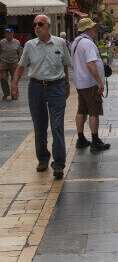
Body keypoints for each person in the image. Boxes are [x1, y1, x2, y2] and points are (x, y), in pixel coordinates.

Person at [11, 15, 71, 179]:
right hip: (36, 86)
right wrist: (14, 84)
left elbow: (65, 64)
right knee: (39, 125)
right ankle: (43, 159)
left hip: (57, 86)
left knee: (57, 125)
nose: (36, 27)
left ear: (48, 26)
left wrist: (67, 84)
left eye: (40, 24)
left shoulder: (60, 42)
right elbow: (21, 66)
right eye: (35, 25)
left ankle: (58, 164)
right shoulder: (30, 46)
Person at [71, 18, 110, 152]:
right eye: (93, 28)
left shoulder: (76, 42)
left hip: (80, 82)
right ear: (88, 29)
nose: (94, 30)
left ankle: (80, 138)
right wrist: (99, 81)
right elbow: (90, 63)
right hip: (90, 83)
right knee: (94, 110)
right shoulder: (87, 43)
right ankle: (95, 140)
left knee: (81, 110)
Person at [0, 28, 21, 100]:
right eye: (6, 33)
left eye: (9, 33)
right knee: (3, 78)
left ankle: (14, 94)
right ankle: (6, 93)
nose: (7, 35)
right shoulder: (2, 42)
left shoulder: (17, 42)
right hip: (4, 62)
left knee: (14, 79)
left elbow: (19, 52)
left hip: (14, 62)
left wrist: (19, 61)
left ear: (12, 34)